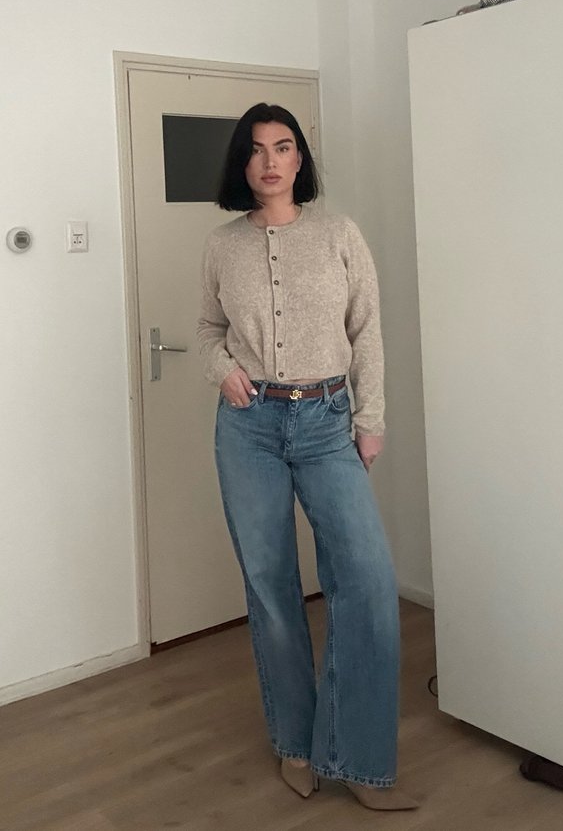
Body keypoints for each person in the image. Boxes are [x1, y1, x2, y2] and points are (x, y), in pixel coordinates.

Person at [196, 103, 418, 812]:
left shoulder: (338, 234)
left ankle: (357, 755)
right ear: (243, 162)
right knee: (271, 589)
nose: (270, 161)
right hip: (248, 425)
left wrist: (372, 419)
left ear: (300, 159)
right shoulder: (222, 244)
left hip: (327, 422)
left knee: (367, 584)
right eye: (257, 149)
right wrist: (219, 368)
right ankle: (294, 742)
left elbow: (369, 330)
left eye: (283, 147)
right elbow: (208, 329)